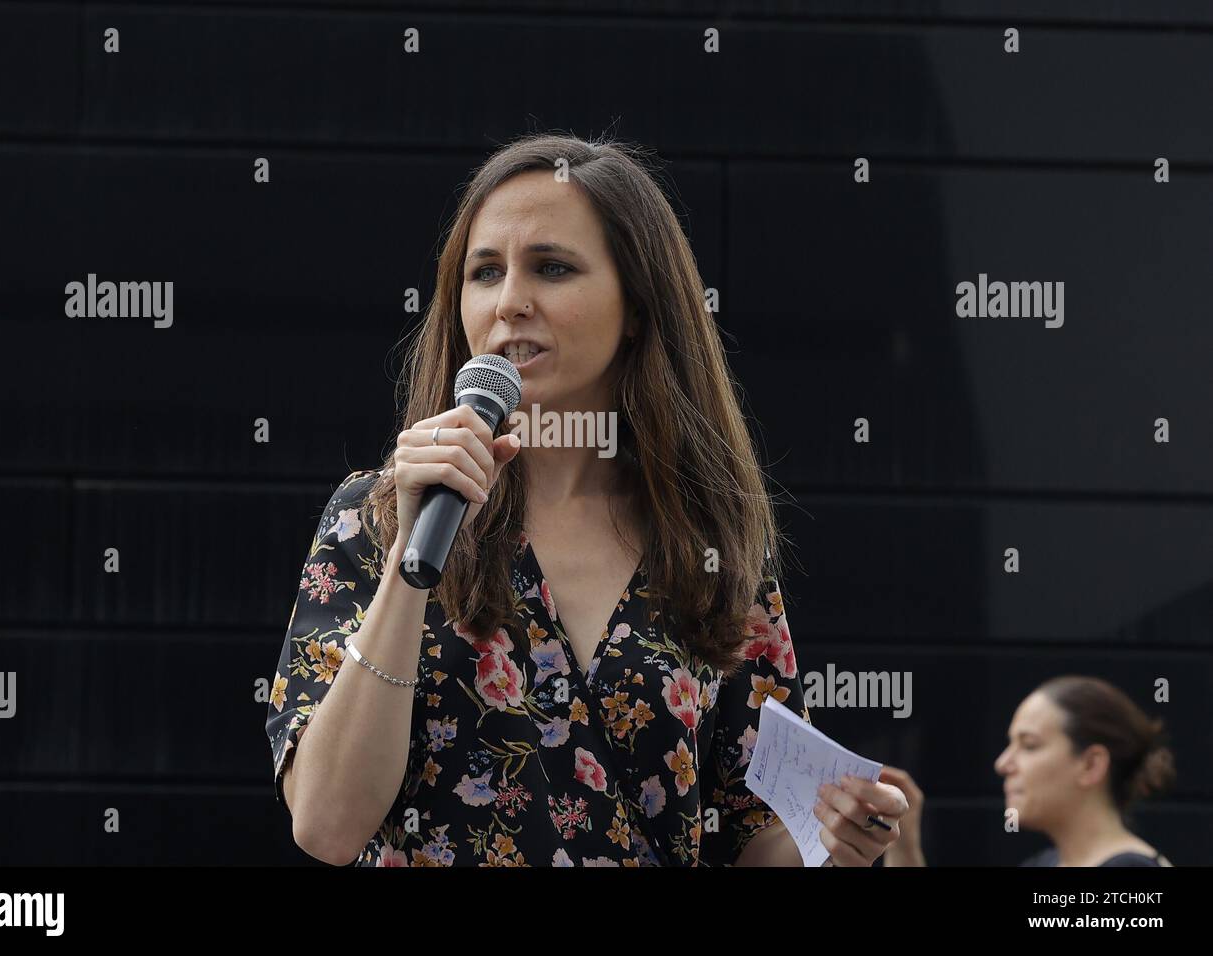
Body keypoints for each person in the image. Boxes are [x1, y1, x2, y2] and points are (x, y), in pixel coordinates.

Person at [264, 132, 908, 866]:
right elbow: (326, 825)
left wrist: (831, 842)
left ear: (637, 306)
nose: (510, 302)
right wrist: (413, 567)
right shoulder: (373, 517)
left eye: (552, 268)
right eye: (484, 272)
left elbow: (751, 830)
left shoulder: (710, 543)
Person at [882, 675, 1175, 866]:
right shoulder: (1045, 863)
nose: (1003, 764)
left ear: (1091, 764)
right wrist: (902, 837)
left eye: (1030, 745)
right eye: (1010, 744)